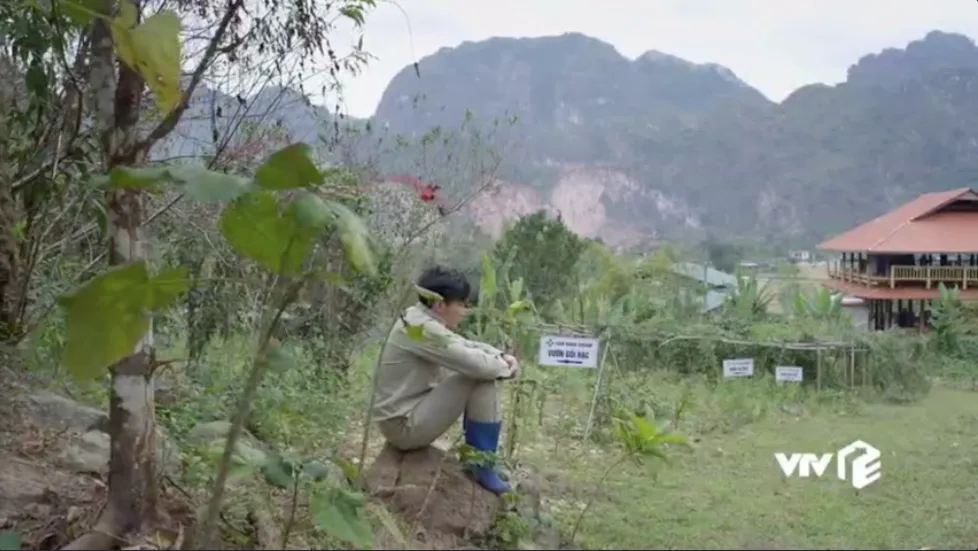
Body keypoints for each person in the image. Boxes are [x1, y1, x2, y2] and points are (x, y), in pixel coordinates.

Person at [372, 266, 520, 494]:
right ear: (440, 304)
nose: (465, 311)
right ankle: (482, 465)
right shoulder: (420, 328)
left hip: (409, 413)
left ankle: (483, 460)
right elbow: (476, 364)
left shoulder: (418, 318)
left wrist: (500, 357)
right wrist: (506, 368)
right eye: (461, 304)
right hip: (404, 426)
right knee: (480, 378)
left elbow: (462, 345)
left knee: (481, 372)